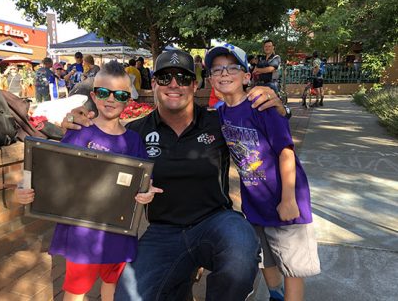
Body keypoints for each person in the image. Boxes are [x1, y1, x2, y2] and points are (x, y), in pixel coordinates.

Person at [62, 50, 289, 301]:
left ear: (194, 84)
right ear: (155, 83)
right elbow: (99, 144)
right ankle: (180, 283)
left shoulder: (219, 122)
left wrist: (276, 105)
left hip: (215, 222)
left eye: (182, 78)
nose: (173, 84)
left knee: (241, 246)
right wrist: (75, 121)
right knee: (128, 297)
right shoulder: (136, 132)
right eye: (164, 77)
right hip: (163, 232)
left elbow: (262, 127)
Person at [15, 61, 163, 301]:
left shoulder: (134, 141)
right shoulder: (79, 130)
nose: (111, 99)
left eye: (120, 94)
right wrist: (23, 188)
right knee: (76, 289)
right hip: (81, 232)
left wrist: (146, 194)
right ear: (94, 95)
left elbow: (144, 181)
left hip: (117, 231)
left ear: (128, 99)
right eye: (104, 93)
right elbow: (51, 171)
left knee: (111, 287)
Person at [206, 44, 321, 301]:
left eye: (232, 68)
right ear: (211, 79)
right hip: (255, 203)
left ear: (247, 76)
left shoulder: (263, 105)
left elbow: (286, 152)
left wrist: (289, 199)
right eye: (217, 70)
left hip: (286, 200)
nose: (224, 73)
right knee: (265, 259)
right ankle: (275, 296)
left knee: (292, 265)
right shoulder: (220, 114)